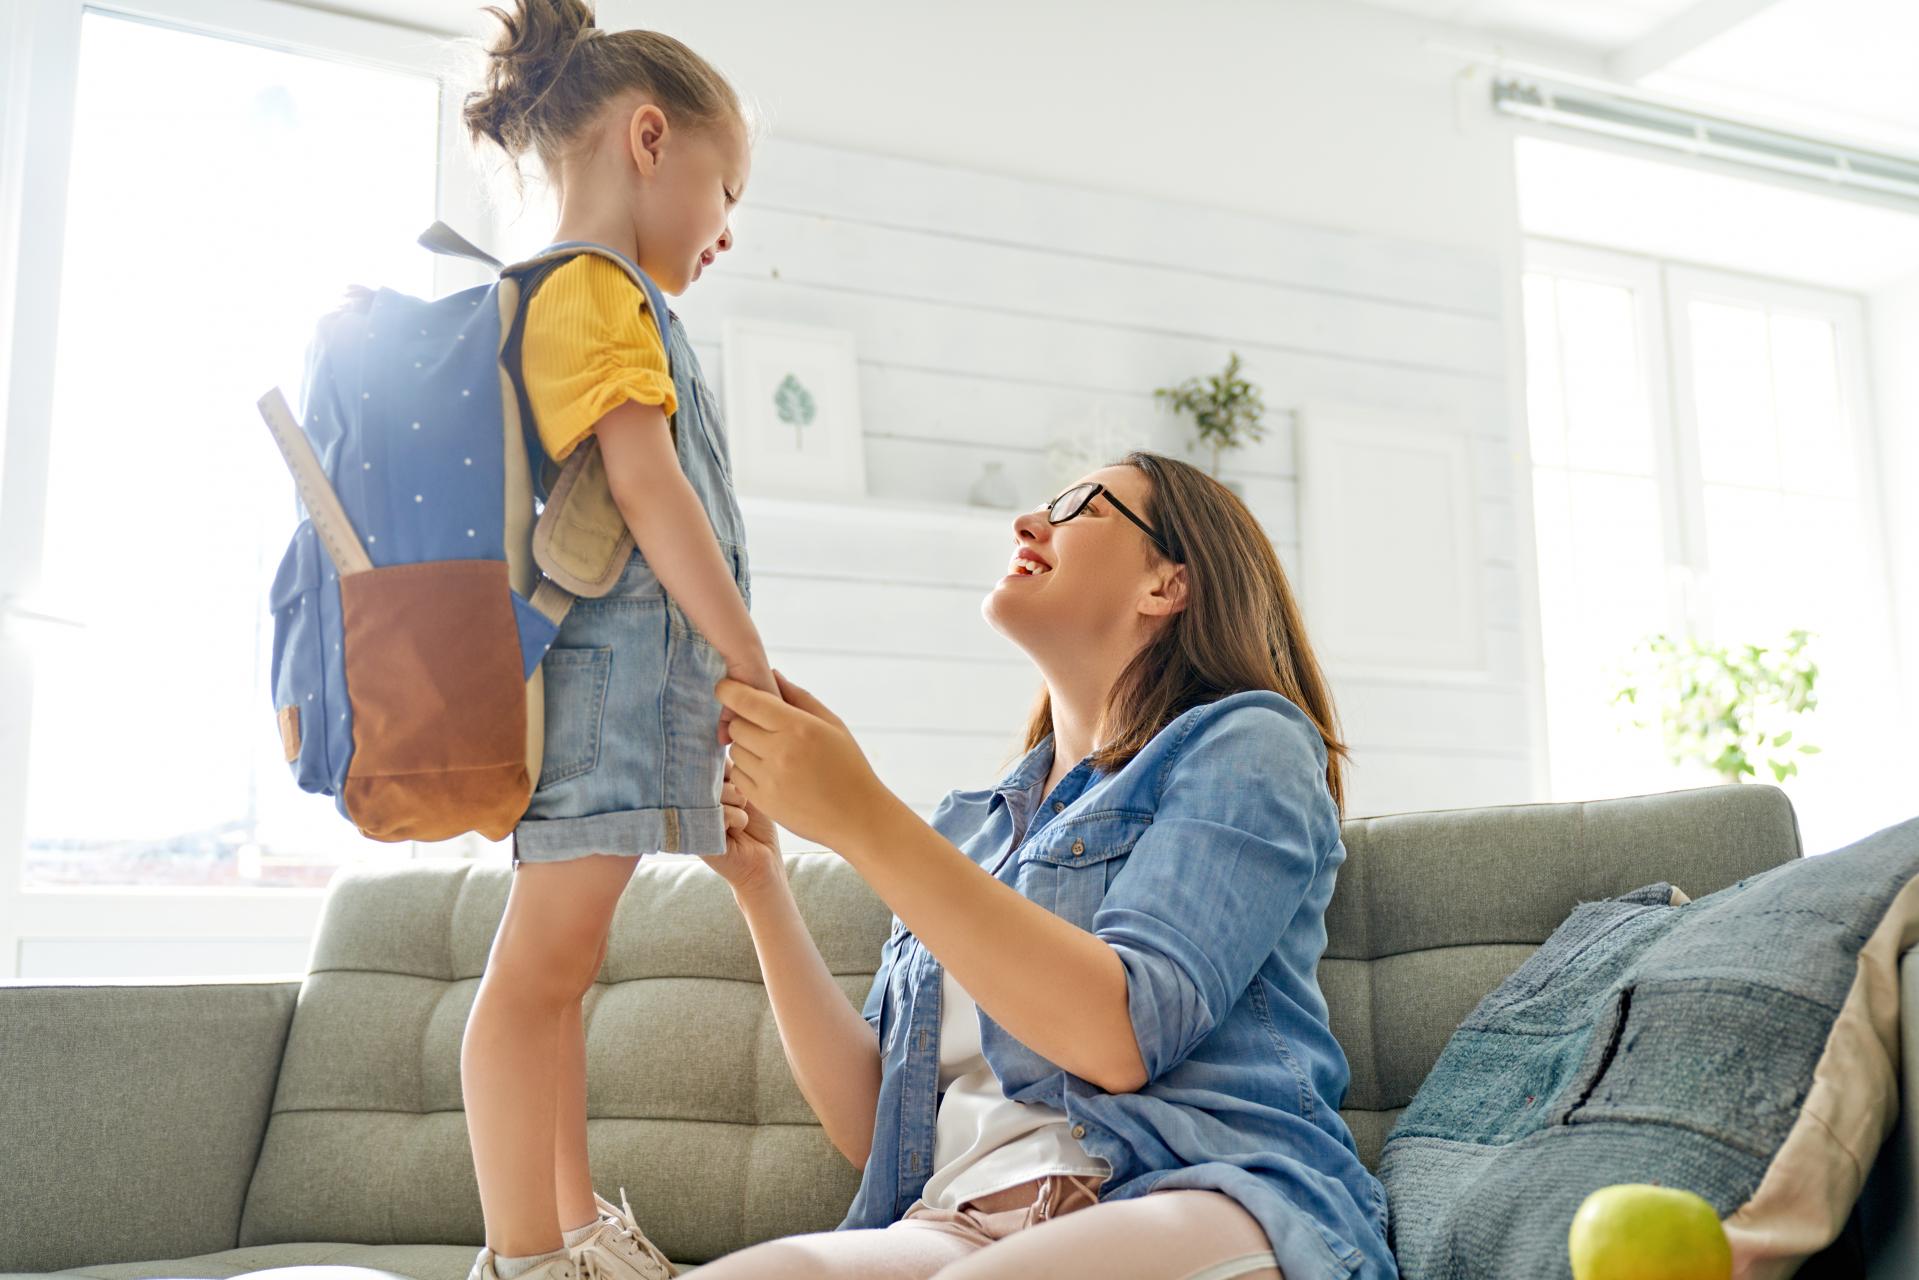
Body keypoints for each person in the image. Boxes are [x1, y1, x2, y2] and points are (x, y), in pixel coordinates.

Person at [697, 454, 1398, 1279]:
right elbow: (874, 1126)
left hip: (1198, 1193)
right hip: (960, 1220)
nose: (1029, 524)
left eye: (1081, 507)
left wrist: (863, 818)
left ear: (1166, 586)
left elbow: (1119, 1037)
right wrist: (761, 887)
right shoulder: (973, 830)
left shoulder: (1250, 744)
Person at [454, 4, 772, 1280]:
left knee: (560, 971)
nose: (728, 226)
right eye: (724, 185)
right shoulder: (586, 289)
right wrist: (750, 658)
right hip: (597, 694)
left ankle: (576, 1229)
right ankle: (524, 1255)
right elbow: (647, 489)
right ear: (651, 136)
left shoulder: (612, 298)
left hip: (622, 695)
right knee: (534, 973)